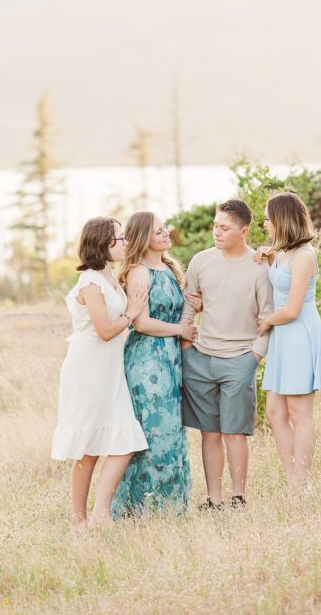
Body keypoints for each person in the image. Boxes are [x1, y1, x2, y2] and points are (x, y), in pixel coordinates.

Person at [52, 217, 150, 532]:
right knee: (88, 447)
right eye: (120, 239)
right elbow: (105, 331)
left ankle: (100, 513)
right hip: (88, 367)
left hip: (110, 368)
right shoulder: (91, 283)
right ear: (104, 245)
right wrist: (131, 312)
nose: (125, 243)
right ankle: (78, 520)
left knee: (125, 440)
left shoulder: (109, 277)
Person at [179, 199, 272, 510]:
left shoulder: (259, 267)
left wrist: (254, 358)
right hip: (201, 358)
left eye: (224, 228)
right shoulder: (201, 261)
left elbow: (268, 316)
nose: (216, 232)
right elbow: (189, 306)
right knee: (210, 433)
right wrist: (187, 349)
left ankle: (239, 498)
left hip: (240, 358)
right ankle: (213, 500)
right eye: (215, 225)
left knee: (235, 434)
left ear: (244, 231)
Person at [111, 212, 200, 518]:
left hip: (171, 358)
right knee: (152, 432)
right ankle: (142, 509)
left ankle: (172, 506)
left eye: (164, 229)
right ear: (143, 237)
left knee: (172, 431)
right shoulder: (138, 272)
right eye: (158, 231)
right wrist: (180, 331)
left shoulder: (170, 267)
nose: (165, 234)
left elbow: (178, 313)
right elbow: (142, 322)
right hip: (148, 359)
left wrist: (193, 308)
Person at [254, 192, 321, 490]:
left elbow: (292, 308)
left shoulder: (304, 256)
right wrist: (269, 256)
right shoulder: (284, 253)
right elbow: (280, 278)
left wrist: (266, 321)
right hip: (284, 339)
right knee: (274, 412)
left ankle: (301, 482)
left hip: (299, 333)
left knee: (300, 412)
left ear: (282, 220)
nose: (265, 224)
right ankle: (293, 478)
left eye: (268, 219)